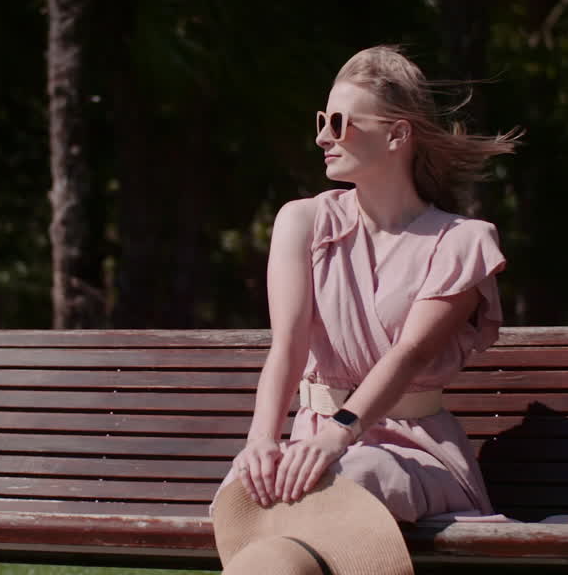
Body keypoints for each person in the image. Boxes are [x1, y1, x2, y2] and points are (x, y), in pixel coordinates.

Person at [211, 45, 519, 573]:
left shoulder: (462, 242)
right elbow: (287, 344)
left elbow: (409, 354)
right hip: (313, 438)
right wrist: (262, 440)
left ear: (398, 135)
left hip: (413, 448)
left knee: (355, 473)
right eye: (320, 120)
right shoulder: (302, 222)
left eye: (339, 122)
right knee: (252, 489)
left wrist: (341, 432)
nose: (322, 136)